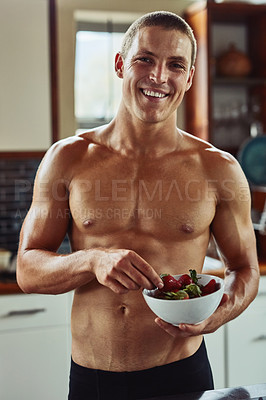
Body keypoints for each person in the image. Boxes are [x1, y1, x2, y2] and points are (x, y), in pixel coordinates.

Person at [17, 11, 259, 400]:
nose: (159, 77)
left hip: (182, 373)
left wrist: (218, 314)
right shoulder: (69, 158)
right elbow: (28, 269)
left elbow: (245, 268)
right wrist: (92, 261)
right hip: (92, 378)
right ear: (120, 65)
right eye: (145, 59)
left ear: (190, 78)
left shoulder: (219, 168)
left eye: (176, 65)